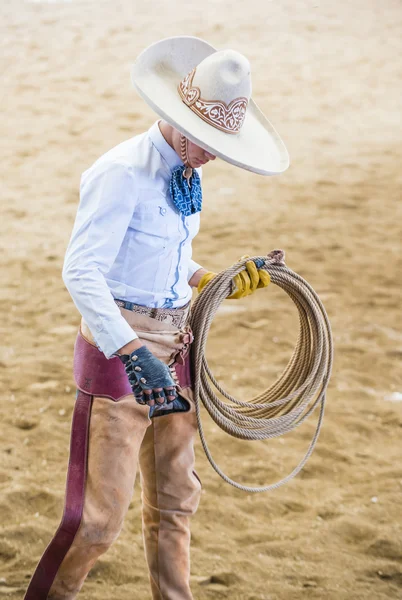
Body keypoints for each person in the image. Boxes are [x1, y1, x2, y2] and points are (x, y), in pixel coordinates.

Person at [24, 35, 288, 600]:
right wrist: (130, 350)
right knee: (96, 521)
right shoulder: (120, 172)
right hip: (124, 347)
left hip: (177, 341)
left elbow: (159, 254)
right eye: (210, 142)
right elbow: (82, 272)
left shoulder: (188, 171)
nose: (216, 155)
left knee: (174, 503)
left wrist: (210, 280)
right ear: (176, 120)